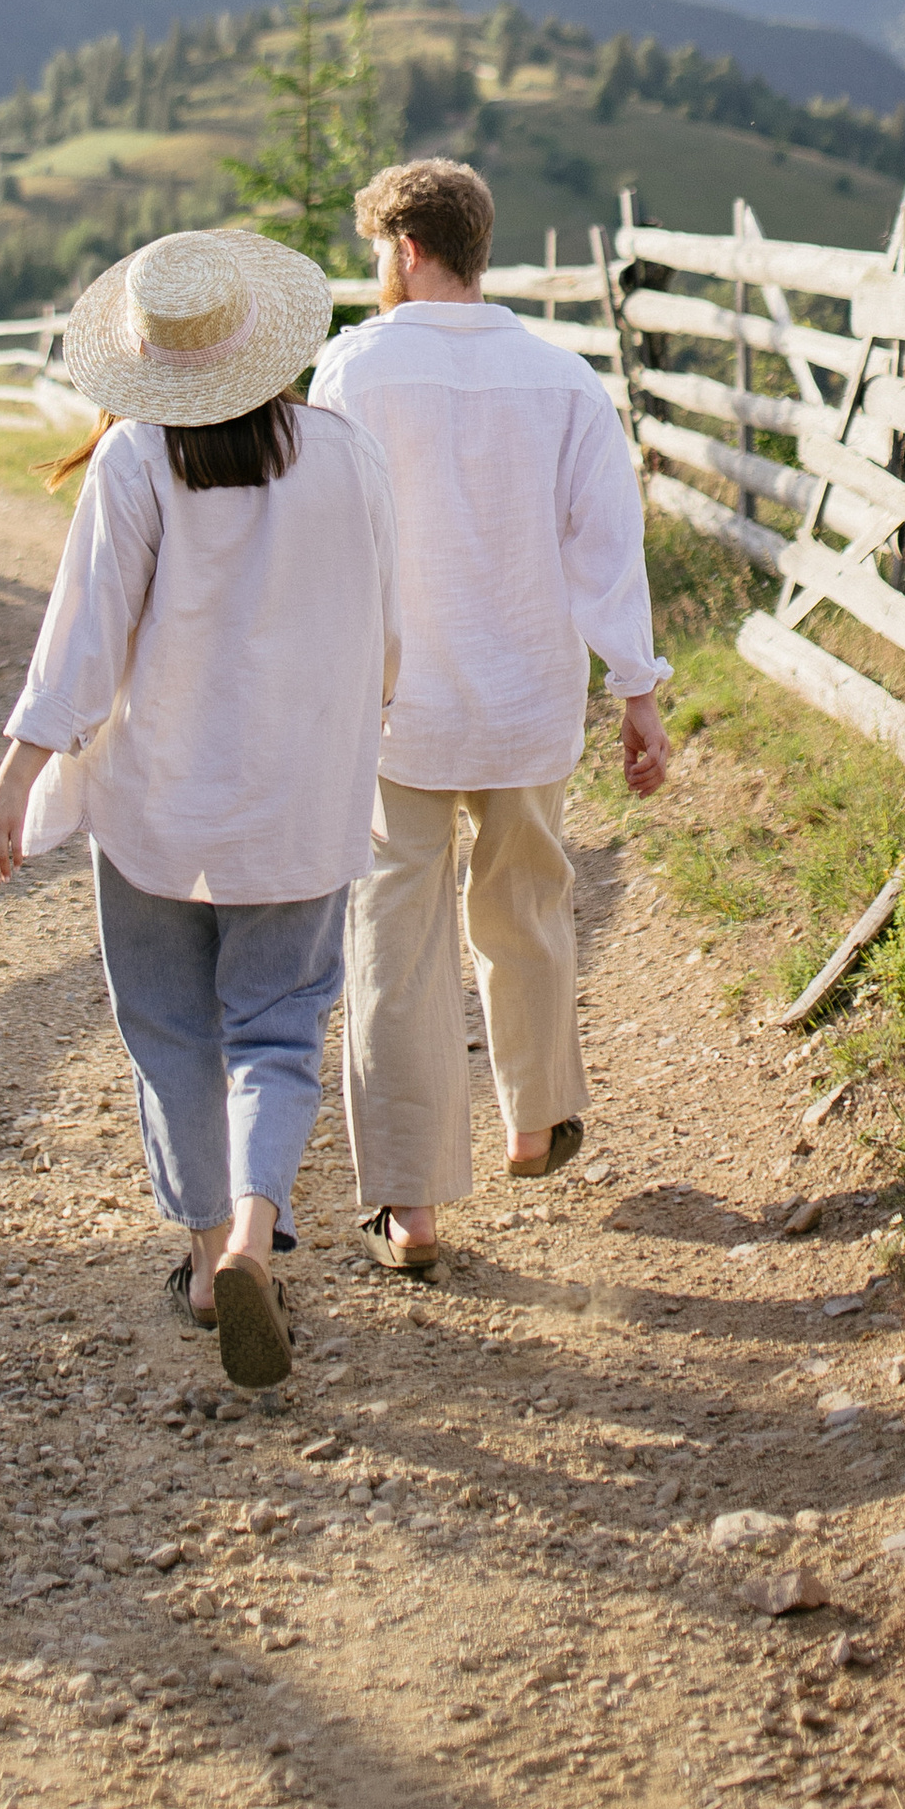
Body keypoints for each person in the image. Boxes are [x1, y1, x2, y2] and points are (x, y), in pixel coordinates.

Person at [0, 225, 399, 1388]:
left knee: (172, 1031)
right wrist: (363, 738)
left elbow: (80, 648)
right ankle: (259, 1236)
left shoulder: (134, 463)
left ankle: (207, 1262)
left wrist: (14, 786)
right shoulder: (348, 456)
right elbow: (385, 637)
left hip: (161, 803)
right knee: (277, 1027)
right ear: (266, 347)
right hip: (299, 799)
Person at [307, 154, 670, 1273]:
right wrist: (638, 695)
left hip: (394, 708)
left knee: (391, 942)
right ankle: (532, 1114)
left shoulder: (354, 372)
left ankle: (409, 1204)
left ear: (406, 250)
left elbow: (326, 538)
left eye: (380, 251)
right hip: (523, 699)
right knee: (527, 902)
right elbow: (606, 546)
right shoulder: (561, 379)